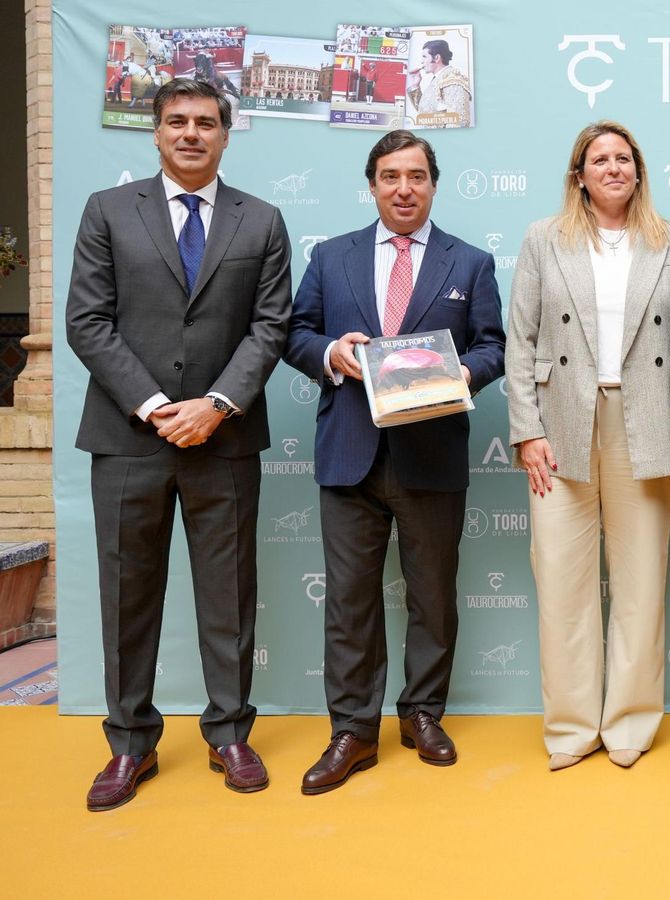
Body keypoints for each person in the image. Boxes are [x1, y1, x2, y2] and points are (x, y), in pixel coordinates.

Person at [65, 77, 291, 811]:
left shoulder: (261, 220)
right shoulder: (106, 212)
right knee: (128, 597)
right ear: (155, 134)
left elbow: (270, 327)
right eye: (176, 122)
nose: (190, 133)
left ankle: (229, 733)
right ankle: (130, 744)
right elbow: (87, 322)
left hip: (223, 442)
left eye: (204, 123)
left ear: (226, 135)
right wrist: (161, 407)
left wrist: (218, 405)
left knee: (229, 598)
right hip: (129, 437)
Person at [284, 130, 506, 793]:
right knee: (349, 604)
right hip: (350, 452)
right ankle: (352, 731)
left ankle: (423, 714)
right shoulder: (331, 257)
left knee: (433, 597)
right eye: (390, 176)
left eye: (415, 175)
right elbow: (296, 333)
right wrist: (332, 353)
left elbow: (494, 345)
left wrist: (458, 372)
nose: (403, 187)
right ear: (373, 184)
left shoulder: (469, 263)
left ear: (434, 184)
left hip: (430, 454)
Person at [506, 121, 670, 772]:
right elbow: (520, 340)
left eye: (625, 158)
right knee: (562, 583)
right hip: (562, 418)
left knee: (641, 581)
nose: (614, 167)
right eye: (601, 159)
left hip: (647, 417)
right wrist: (527, 430)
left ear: (639, 171)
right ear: (580, 174)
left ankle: (628, 723)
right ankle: (569, 728)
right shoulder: (544, 239)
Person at [407, 39, 471, 127]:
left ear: (436, 58)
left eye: (424, 57)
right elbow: (425, 113)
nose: (422, 61)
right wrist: (415, 85)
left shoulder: (453, 79)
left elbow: (459, 121)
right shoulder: (438, 79)